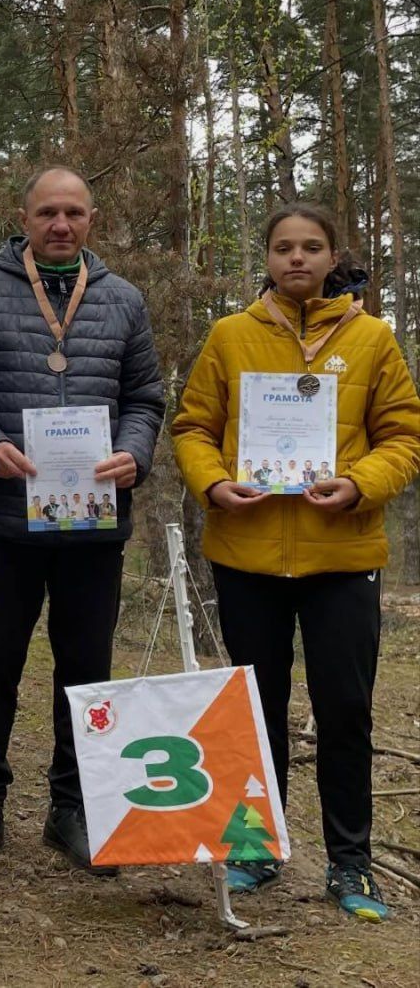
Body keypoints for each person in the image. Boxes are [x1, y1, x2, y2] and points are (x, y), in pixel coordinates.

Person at [172, 202, 420, 922]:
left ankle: (351, 863)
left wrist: (360, 484)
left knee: (345, 710)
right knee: (255, 710)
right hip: (246, 555)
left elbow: (403, 436)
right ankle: (257, 846)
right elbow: (192, 426)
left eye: (312, 246)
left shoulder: (373, 338)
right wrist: (214, 483)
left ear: (334, 257)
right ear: (268, 257)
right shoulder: (230, 335)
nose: (297, 258)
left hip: (342, 556)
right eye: (283, 247)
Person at [0, 166, 164, 875]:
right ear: (25, 219)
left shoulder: (124, 299)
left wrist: (135, 452)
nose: (60, 224)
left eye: (73, 212)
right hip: (5, 521)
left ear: (91, 219)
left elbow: (146, 397)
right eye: (47, 212)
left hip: (93, 526)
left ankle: (73, 805)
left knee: (86, 671)